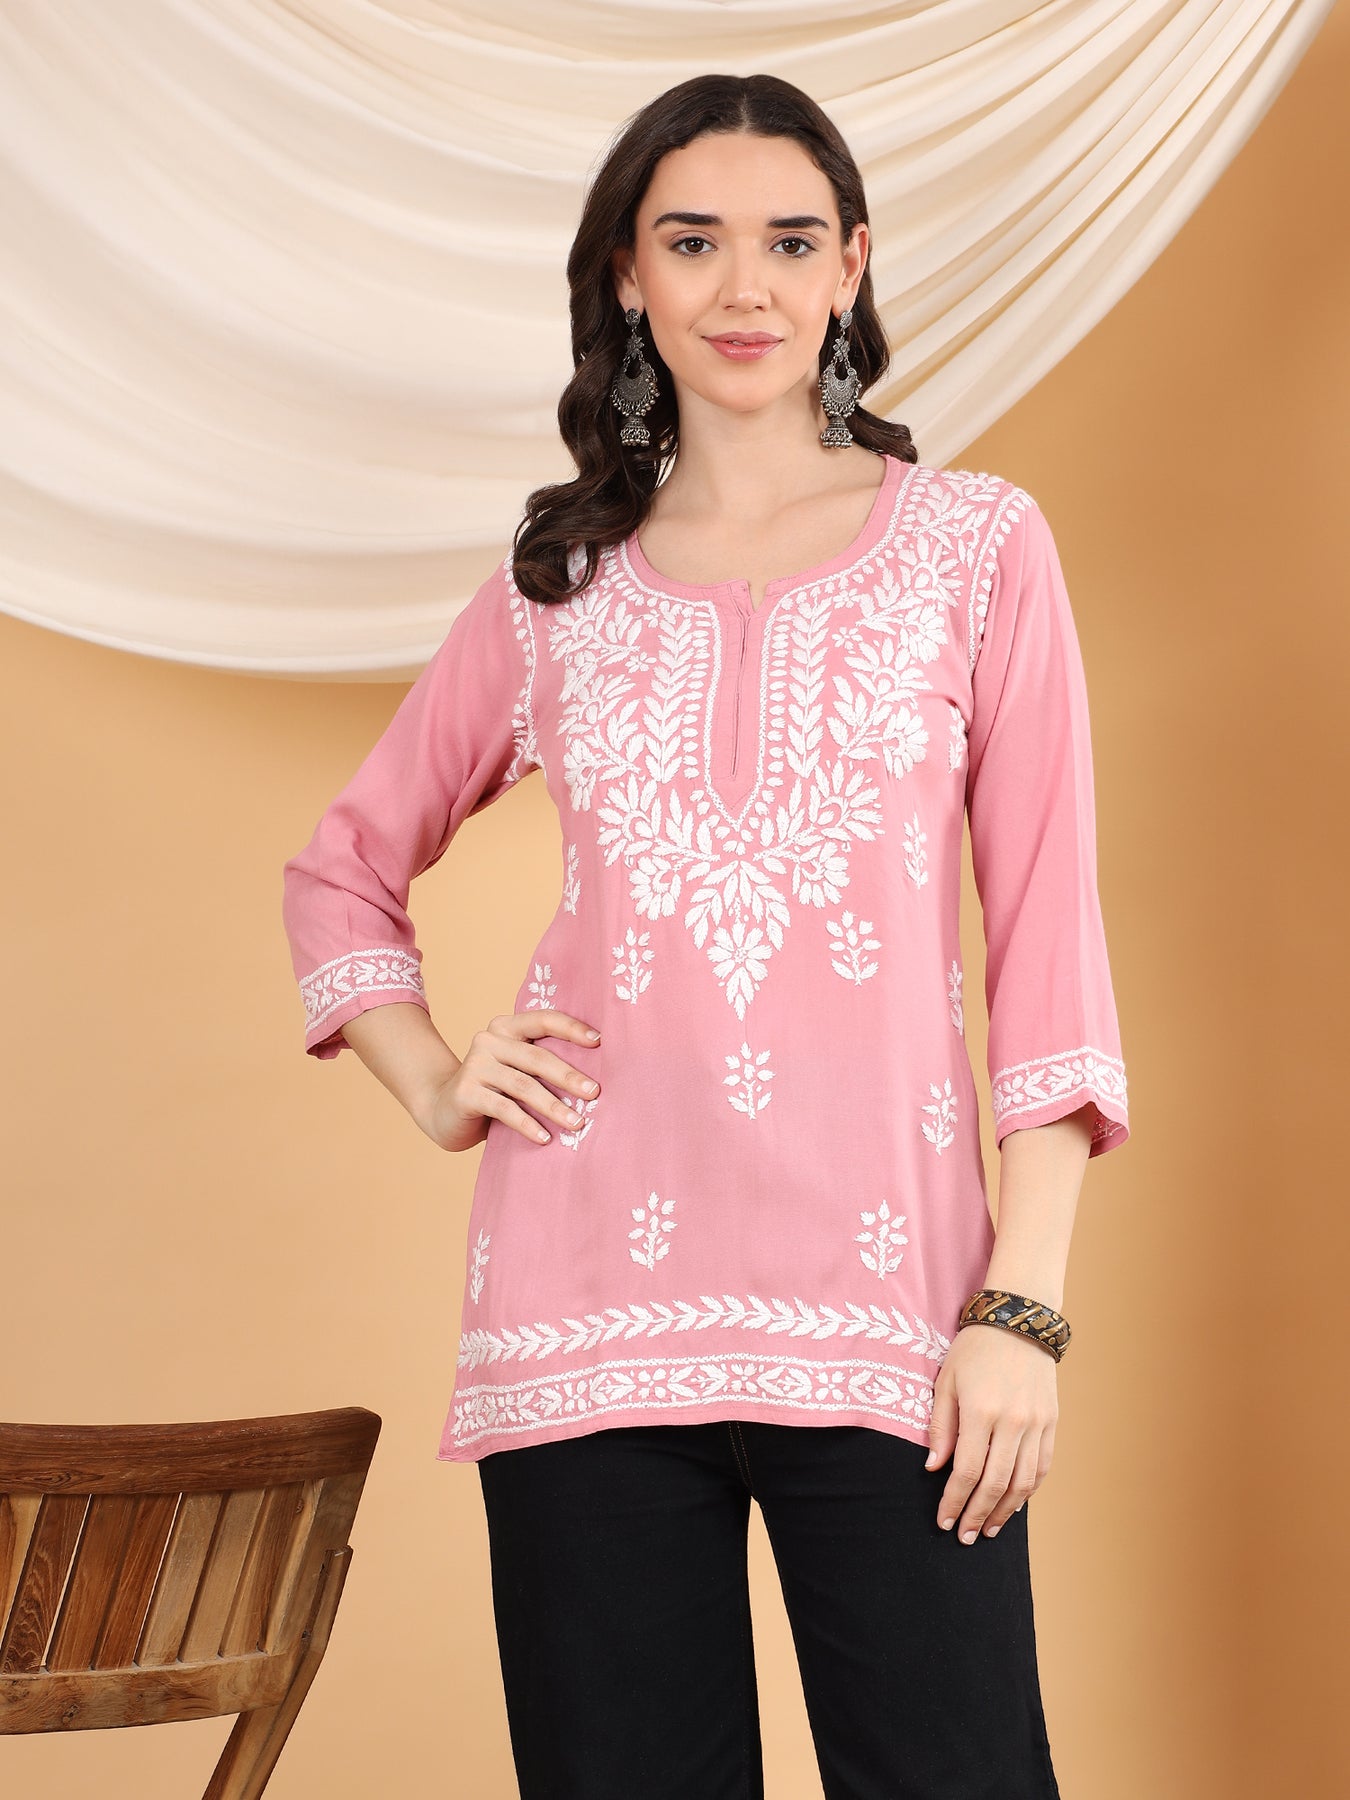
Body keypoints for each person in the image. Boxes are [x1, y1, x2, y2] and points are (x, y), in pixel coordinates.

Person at [282, 71, 1129, 1800]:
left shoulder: (976, 551)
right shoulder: (559, 589)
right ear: (626, 275)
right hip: (582, 1321)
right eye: (692, 242)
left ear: (851, 268)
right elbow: (339, 872)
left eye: (789, 242)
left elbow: (1050, 944)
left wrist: (1022, 1312)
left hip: (898, 1327)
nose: (743, 287)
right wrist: (436, 1082)